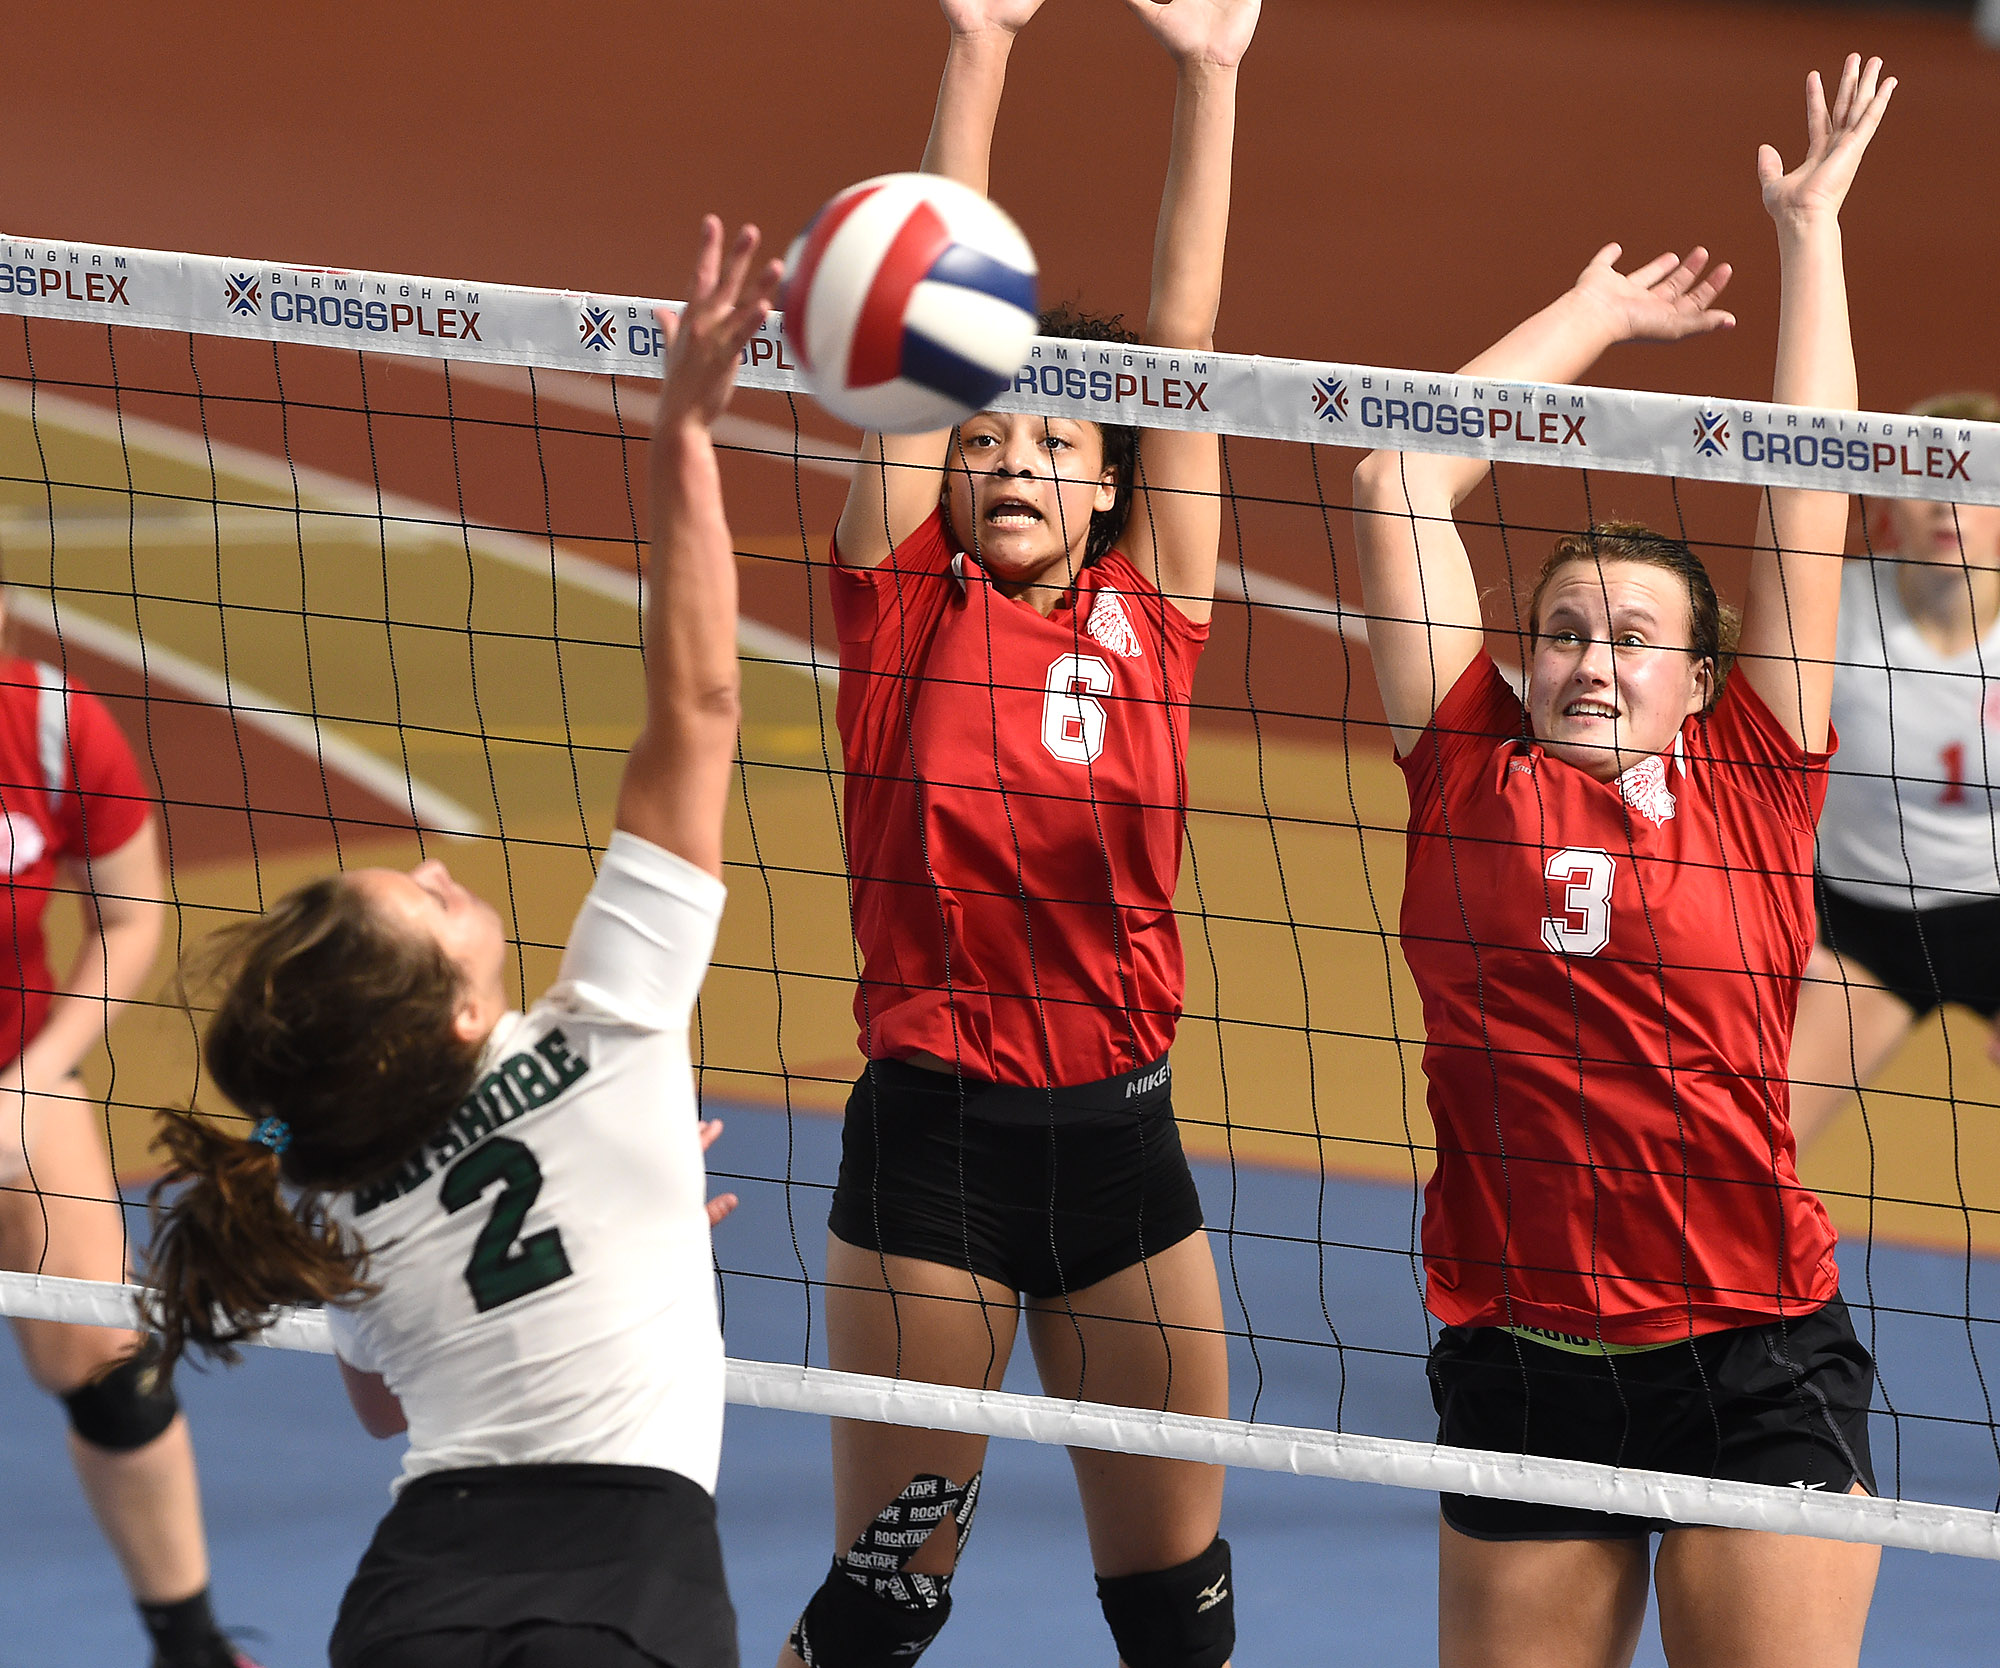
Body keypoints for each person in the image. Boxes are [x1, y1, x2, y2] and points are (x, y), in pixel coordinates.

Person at [141, 215, 779, 1668]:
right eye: (423, 901)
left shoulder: (349, 1163)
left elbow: (385, 1398)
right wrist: (685, 428)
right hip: (624, 1588)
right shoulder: (607, 1036)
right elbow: (699, 709)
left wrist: (623, 1215)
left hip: (415, 1591)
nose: (437, 866)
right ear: (439, 1020)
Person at [1351, 56, 1893, 1668]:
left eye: (1634, 637)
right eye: (1565, 630)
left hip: (1751, 1356)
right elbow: (1396, 478)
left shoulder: (1749, 776)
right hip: (1527, 1359)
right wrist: (1585, 314)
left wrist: (1810, 234)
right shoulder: (1467, 773)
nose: (1593, 659)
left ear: (1702, 678)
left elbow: (1810, 491)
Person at [780, 3, 1257, 1666]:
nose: (1007, 458)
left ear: (1112, 484)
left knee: (1177, 1622)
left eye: (1055, 437)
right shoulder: (903, 605)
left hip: (1124, 1155)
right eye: (979, 434)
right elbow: (919, 308)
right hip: (935, 1162)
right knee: (882, 1607)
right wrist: (978, 44)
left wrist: (1210, 77)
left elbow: (1182, 342)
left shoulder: (1161, 610)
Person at [0, 577, 255, 1667]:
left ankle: (191, 1646)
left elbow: (132, 915)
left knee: (109, 1365)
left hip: (16, 1070)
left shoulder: (49, 722)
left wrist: (38, 1077)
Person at [1787, 390, 2000, 1153]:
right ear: (1890, 505)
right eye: (1925, 482)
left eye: (1974, 485)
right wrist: (1774, 913)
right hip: (1854, 926)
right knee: (1745, 1152)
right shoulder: (1828, 611)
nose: (1948, 505)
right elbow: (1741, 777)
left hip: (1995, 912)